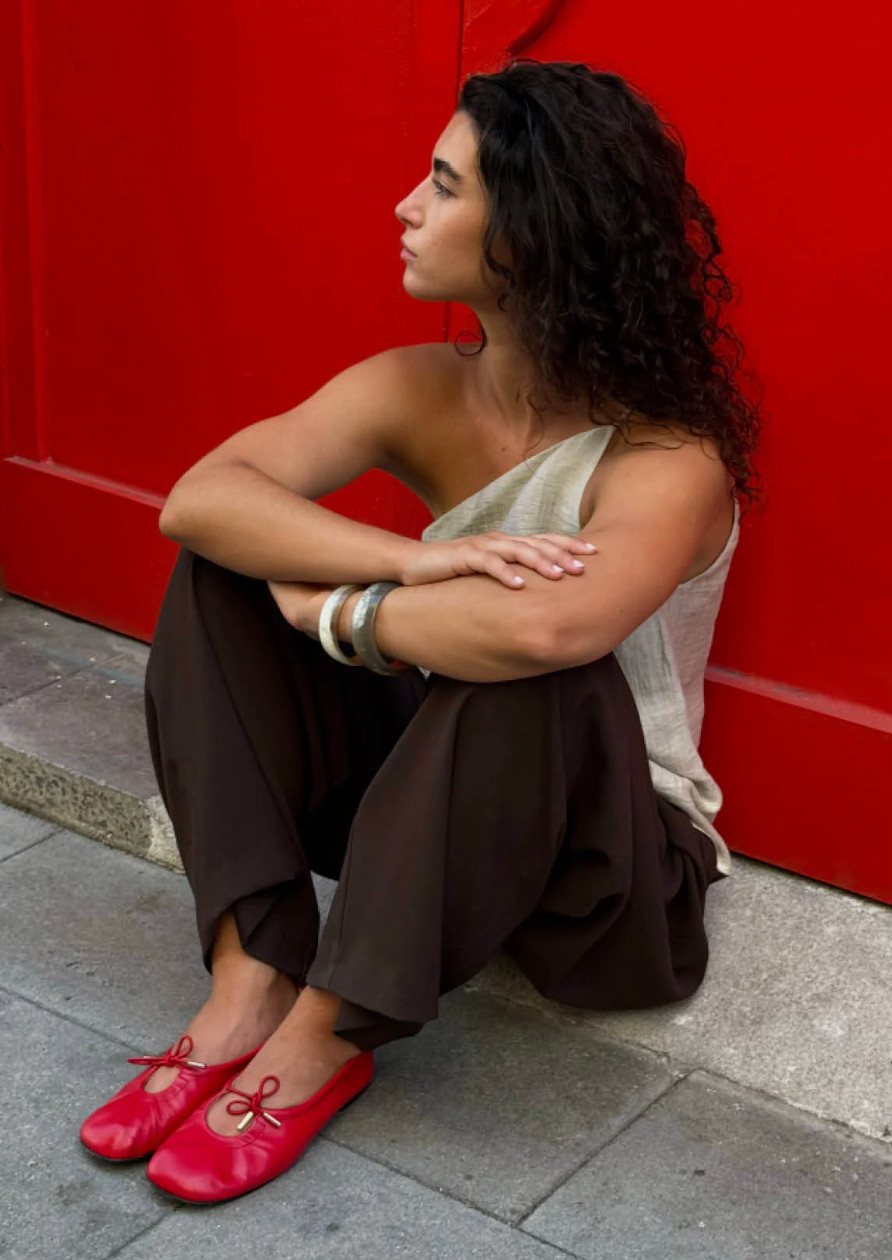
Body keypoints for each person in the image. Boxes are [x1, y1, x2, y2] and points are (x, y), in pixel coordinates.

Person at [79, 58, 762, 1204]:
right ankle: (249, 980)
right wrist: (409, 557)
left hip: (611, 875)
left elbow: (551, 629)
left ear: (530, 233)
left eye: (444, 186)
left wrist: (337, 608)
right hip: (448, 810)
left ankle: (323, 1038)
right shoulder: (419, 388)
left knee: (531, 661)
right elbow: (200, 497)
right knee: (224, 570)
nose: (406, 206)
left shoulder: (671, 456)